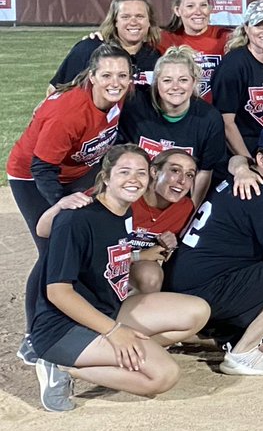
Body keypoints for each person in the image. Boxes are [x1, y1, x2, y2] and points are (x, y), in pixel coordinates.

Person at [28, 145, 211, 413]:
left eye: (140, 173)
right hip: (63, 328)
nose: (133, 179)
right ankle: (63, 367)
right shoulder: (77, 219)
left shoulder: (123, 212)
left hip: (106, 310)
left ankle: (115, 356)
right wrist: (115, 332)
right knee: (164, 376)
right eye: (124, 172)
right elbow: (58, 293)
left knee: (197, 311)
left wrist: (145, 255)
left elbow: (107, 258)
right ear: (106, 177)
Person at [165, 122, 263, 376]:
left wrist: (240, 166)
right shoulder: (261, 199)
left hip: (192, 283)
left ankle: (208, 334)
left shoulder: (236, 177)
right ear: (261, 159)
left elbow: (237, 158)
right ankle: (242, 355)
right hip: (202, 290)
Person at [7, 43, 131, 357]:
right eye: (106, 75)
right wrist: (62, 203)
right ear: (92, 76)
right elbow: (41, 167)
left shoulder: (119, 98)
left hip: (77, 170)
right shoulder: (69, 113)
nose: (114, 81)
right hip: (34, 177)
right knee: (52, 248)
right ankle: (35, 334)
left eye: (121, 75)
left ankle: (85, 308)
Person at [35, 149, 199, 296]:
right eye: (175, 170)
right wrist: (60, 205)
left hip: (127, 268)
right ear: (154, 172)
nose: (182, 180)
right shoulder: (120, 196)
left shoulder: (184, 209)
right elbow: (44, 230)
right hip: (94, 267)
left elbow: (171, 256)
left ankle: (129, 320)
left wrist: (170, 246)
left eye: (190, 175)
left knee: (150, 275)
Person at [119, 46, 226, 203]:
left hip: (178, 198)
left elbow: (204, 171)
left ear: (194, 82)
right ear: (156, 83)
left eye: (183, 80)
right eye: (167, 80)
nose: (175, 87)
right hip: (135, 194)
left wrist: (188, 216)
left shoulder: (209, 119)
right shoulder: (135, 105)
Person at [211, 0, 263, 162]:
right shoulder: (232, 66)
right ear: (246, 28)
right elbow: (226, 123)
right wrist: (248, 161)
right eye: (259, 25)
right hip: (243, 149)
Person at [49, 0, 161, 92]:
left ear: (149, 21)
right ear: (115, 21)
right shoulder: (88, 49)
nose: (133, 22)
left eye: (140, 16)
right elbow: (54, 91)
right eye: (125, 17)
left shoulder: (156, 57)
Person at [158, 0, 231, 102]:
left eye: (203, 5)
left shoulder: (227, 37)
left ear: (210, 8)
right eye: (190, 6)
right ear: (177, 10)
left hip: (219, 111)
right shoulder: (164, 39)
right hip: (180, 111)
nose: (198, 12)